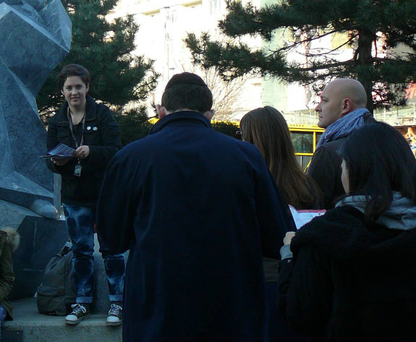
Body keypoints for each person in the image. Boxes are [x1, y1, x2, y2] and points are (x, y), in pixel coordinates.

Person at [97, 72, 291, 342]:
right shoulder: (246, 157)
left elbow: (111, 239)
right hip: (231, 312)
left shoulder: (130, 158)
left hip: (158, 311)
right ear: (209, 113)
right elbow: (277, 236)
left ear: (162, 111)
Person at [278, 122, 416, 341]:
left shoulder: (323, 234)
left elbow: (302, 317)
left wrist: (289, 255)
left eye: (343, 164)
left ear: (355, 170)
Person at [46, 64, 125, 326]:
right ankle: (82, 302)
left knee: (112, 250)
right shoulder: (57, 120)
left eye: (78, 86)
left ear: (87, 87)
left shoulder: (102, 115)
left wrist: (91, 152)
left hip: (105, 194)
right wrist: (56, 162)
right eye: (69, 87)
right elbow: (49, 158)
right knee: (81, 251)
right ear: (63, 91)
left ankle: (117, 302)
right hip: (74, 196)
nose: (74, 92)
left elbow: (116, 150)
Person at [241, 106, 321, 342]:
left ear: (252, 140)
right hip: (296, 283)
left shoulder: (245, 183)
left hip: (256, 284)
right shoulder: (306, 185)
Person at [307, 78, 372, 208]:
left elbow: (313, 207)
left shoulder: (329, 152)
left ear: (345, 106)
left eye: (324, 101)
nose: (317, 108)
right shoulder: (390, 142)